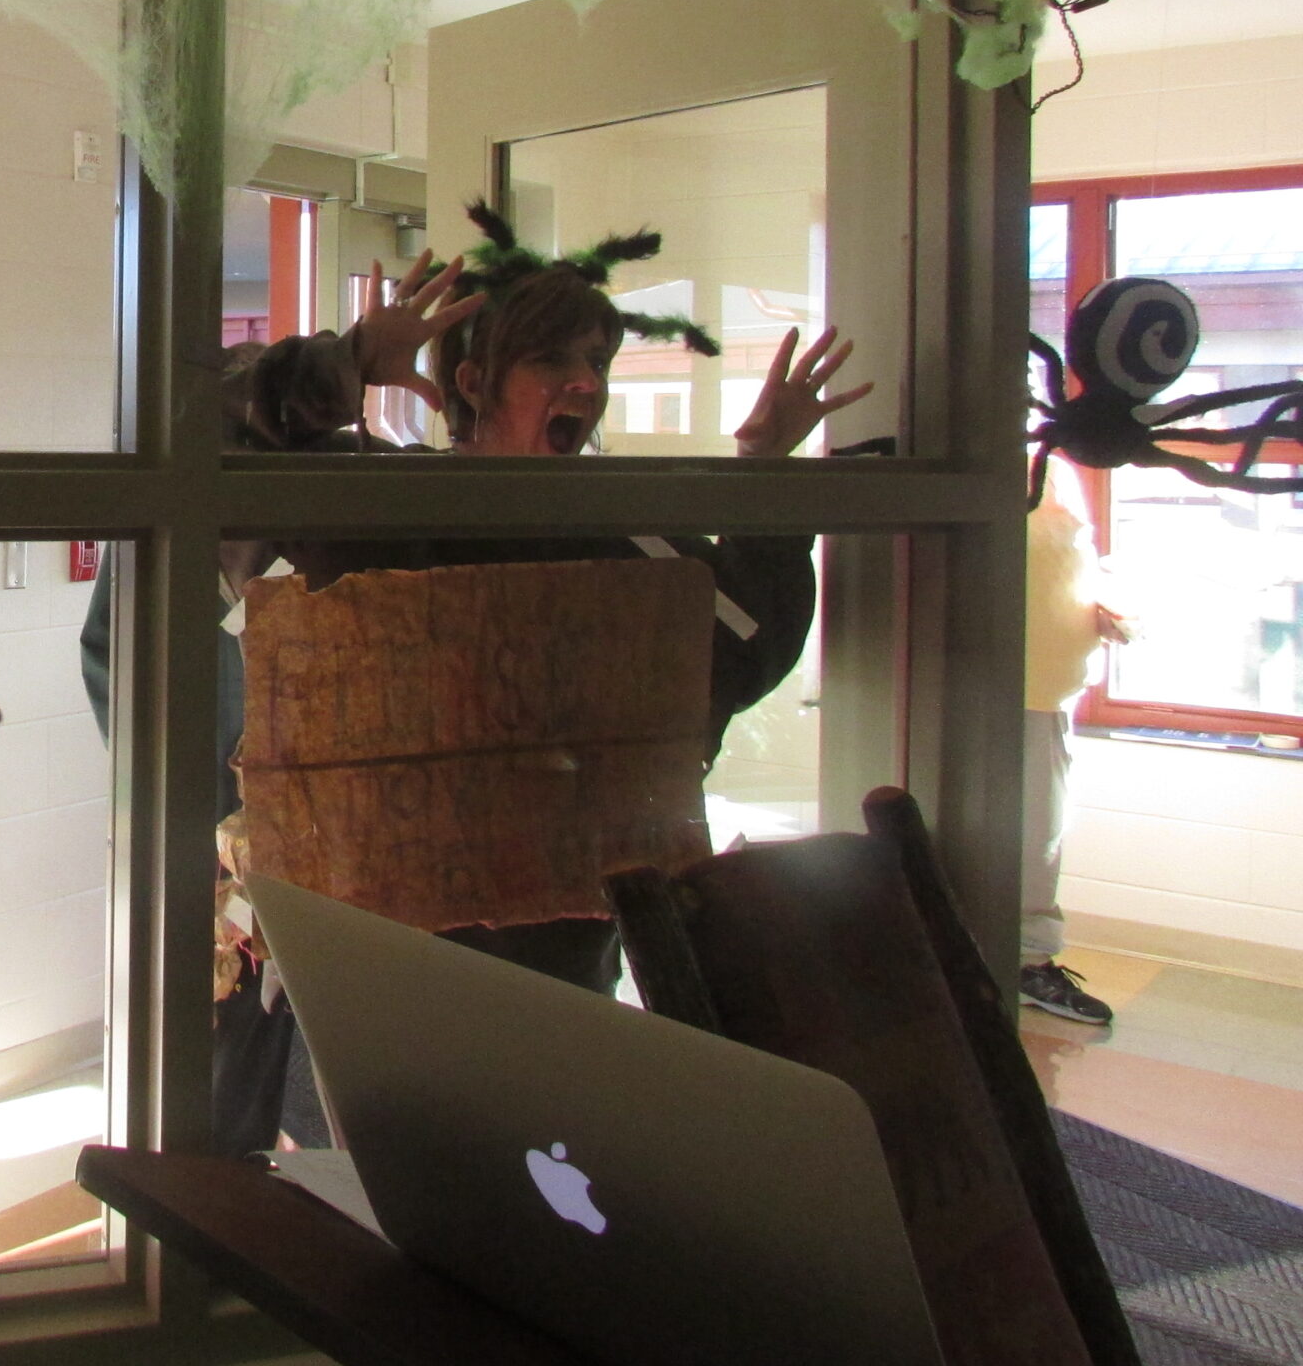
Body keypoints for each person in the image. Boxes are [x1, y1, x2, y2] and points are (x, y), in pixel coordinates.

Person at [84, 202, 861, 1152]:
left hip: (557, 968)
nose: (586, 383)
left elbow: (738, 644)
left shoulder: (625, 542)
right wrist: (343, 366)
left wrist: (764, 471)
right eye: (552, 360)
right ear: (471, 382)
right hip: (364, 976)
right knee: (364, 1187)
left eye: (599, 361)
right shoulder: (361, 512)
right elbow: (187, 455)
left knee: (547, 1187)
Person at [1018, 464, 1125, 1026]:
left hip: (1048, 697)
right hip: (1002, 693)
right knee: (1034, 837)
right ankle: (1024, 964)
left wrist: (1103, 608)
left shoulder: (1051, 467)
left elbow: (1063, 562)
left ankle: (1024, 962)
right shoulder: (987, 465)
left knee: (1042, 836)